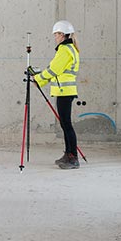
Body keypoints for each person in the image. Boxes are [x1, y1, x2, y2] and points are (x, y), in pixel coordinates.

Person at [34, 20, 80, 169]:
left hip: (64, 92)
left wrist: (38, 78)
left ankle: (73, 158)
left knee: (66, 124)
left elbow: (54, 70)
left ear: (62, 34)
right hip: (65, 91)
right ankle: (68, 154)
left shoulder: (65, 50)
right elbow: (55, 70)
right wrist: (40, 80)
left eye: (57, 34)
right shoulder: (69, 49)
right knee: (65, 124)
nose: (55, 37)